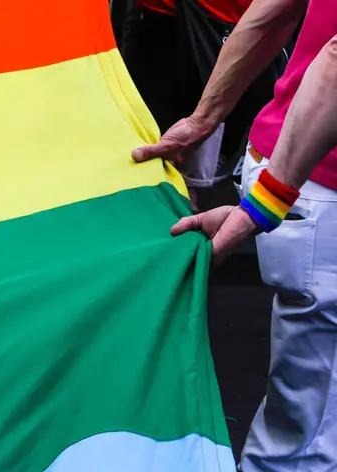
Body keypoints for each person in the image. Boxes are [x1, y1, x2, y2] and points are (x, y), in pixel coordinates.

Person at [133, 0, 337, 469]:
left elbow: (273, 9)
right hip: (316, 178)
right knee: (306, 444)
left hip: (290, 164)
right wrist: (261, 208)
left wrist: (205, 119)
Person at [116, 0, 291, 211]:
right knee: (149, 113)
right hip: (158, 16)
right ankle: (173, 191)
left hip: (229, 19)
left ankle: (190, 189)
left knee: (209, 95)